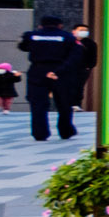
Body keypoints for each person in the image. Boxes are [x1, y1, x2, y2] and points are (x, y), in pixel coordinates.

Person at [21, 10, 90, 141]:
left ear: (41, 25)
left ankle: (40, 133)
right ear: (60, 25)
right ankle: (65, 131)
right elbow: (76, 56)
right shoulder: (68, 37)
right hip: (60, 73)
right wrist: (61, 70)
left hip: (38, 71)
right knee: (64, 103)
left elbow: (23, 46)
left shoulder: (31, 36)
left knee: (38, 104)